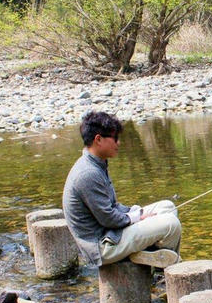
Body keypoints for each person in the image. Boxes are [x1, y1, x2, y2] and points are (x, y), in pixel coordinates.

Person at [62, 111, 181, 268]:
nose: (118, 143)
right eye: (115, 138)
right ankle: (162, 273)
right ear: (98, 139)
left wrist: (136, 211)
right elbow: (108, 218)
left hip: (112, 233)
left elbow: (112, 206)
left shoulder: (96, 164)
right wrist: (138, 217)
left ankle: (150, 255)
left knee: (167, 207)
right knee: (171, 223)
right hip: (103, 247)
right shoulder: (87, 174)